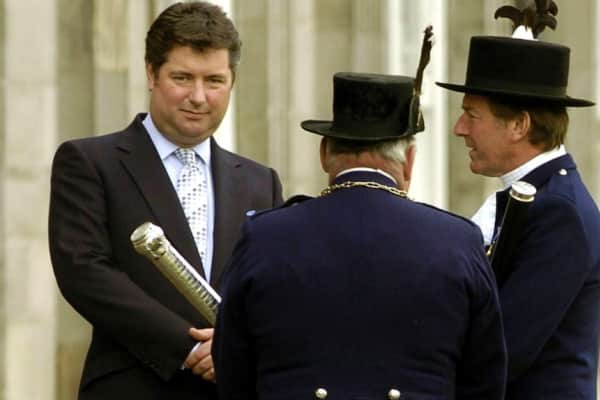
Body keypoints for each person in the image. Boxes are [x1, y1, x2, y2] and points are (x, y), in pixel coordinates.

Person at [212, 72, 507, 400]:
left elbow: (232, 370)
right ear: (409, 161)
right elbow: (485, 380)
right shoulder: (458, 242)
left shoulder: (265, 237)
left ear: (324, 153)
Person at [48, 2, 283, 399]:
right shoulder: (90, 162)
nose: (198, 97)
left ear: (232, 81)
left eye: (214, 80)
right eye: (182, 77)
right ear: (151, 73)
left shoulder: (261, 182)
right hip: (133, 386)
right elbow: (85, 273)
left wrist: (236, 346)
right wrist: (188, 347)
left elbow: (274, 287)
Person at [436, 27, 600, 399]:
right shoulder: (539, 198)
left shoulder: (559, 212)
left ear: (519, 125)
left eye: (471, 115)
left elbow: (503, 350)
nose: (459, 129)